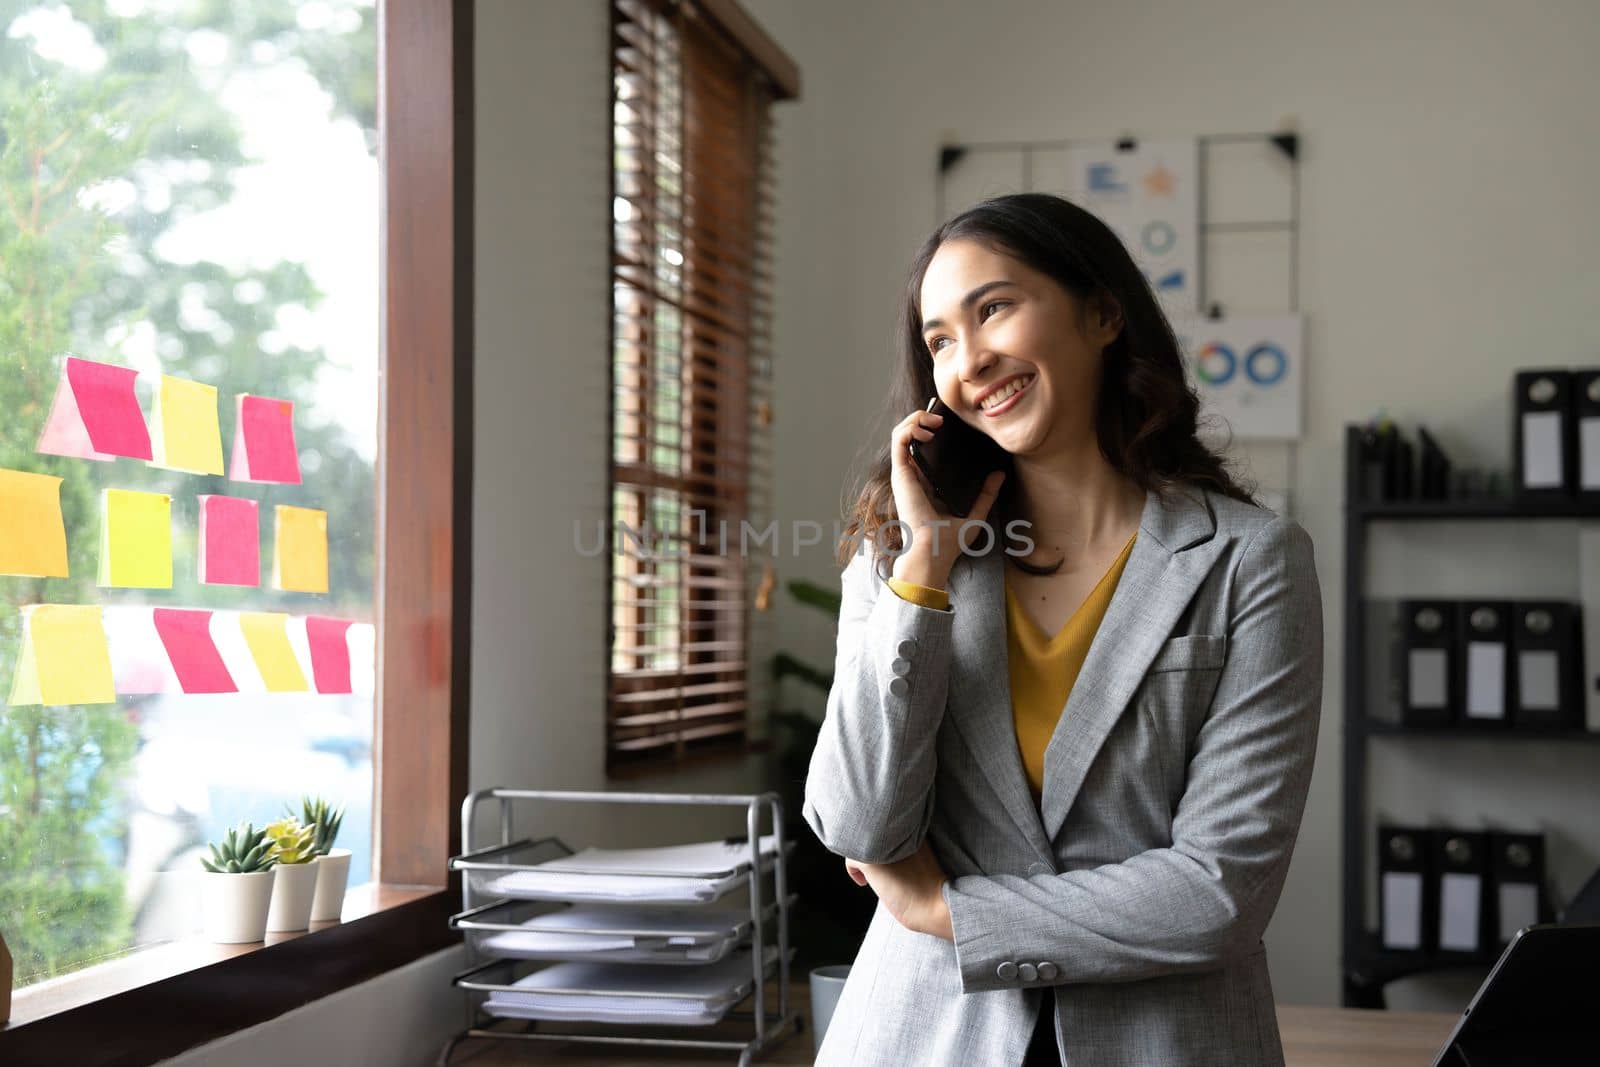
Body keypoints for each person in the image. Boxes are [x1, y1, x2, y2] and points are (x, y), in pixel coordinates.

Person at [802, 193, 1323, 1066]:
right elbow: (859, 823)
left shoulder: (1251, 560)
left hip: (1166, 1043)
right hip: (920, 1037)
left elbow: (1219, 893)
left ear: (1103, 311)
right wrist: (926, 569)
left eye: (994, 307)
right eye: (939, 339)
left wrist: (945, 911)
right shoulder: (898, 553)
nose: (970, 360)